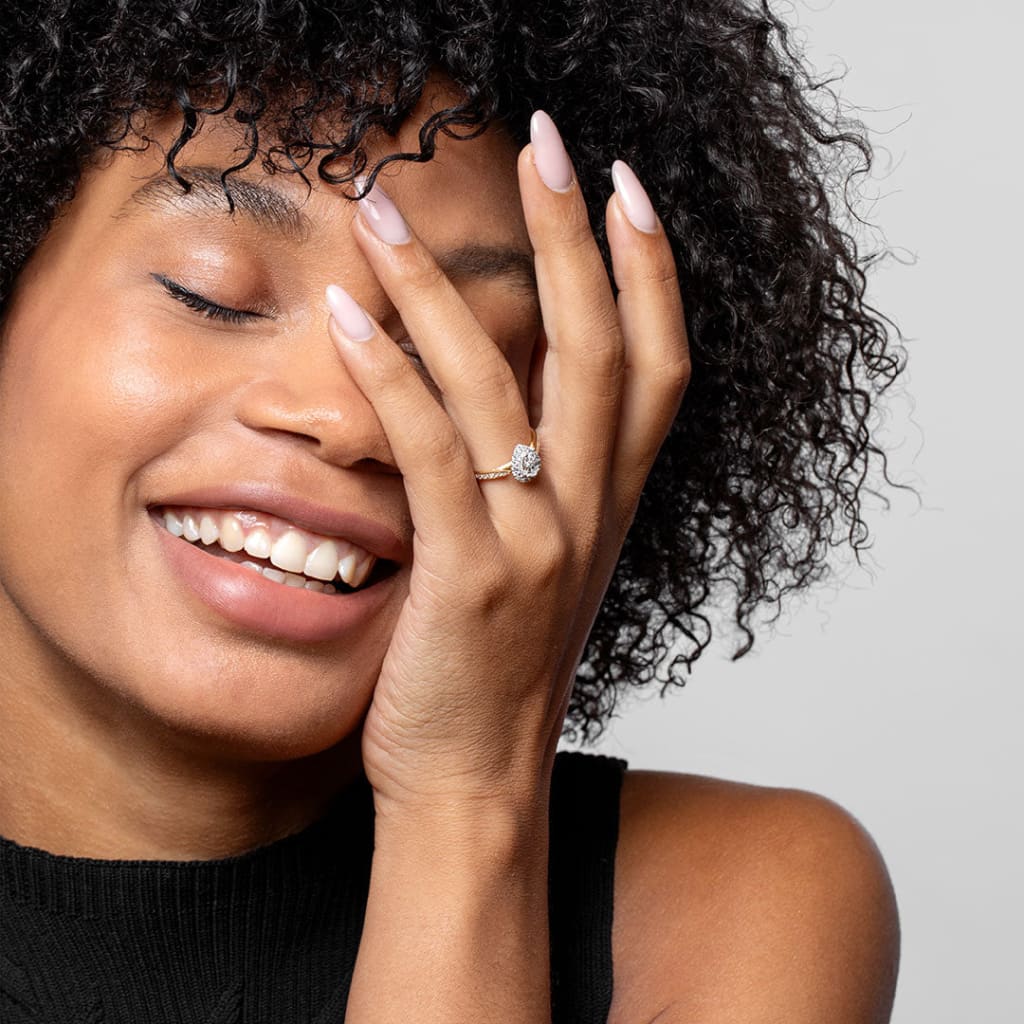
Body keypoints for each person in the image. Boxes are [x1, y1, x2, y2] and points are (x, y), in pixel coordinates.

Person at [0, 2, 901, 1022]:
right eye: (211, 294)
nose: (349, 418)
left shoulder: (726, 902)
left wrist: (464, 802)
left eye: (458, 349)